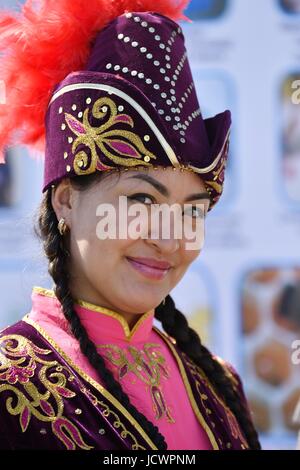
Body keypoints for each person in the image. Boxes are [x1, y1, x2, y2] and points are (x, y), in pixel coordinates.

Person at [0, 0, 261, 450]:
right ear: (65, 200)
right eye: (141, 200)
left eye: (191, 210)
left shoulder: (220, 382)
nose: (169, 239)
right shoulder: (10, 386)